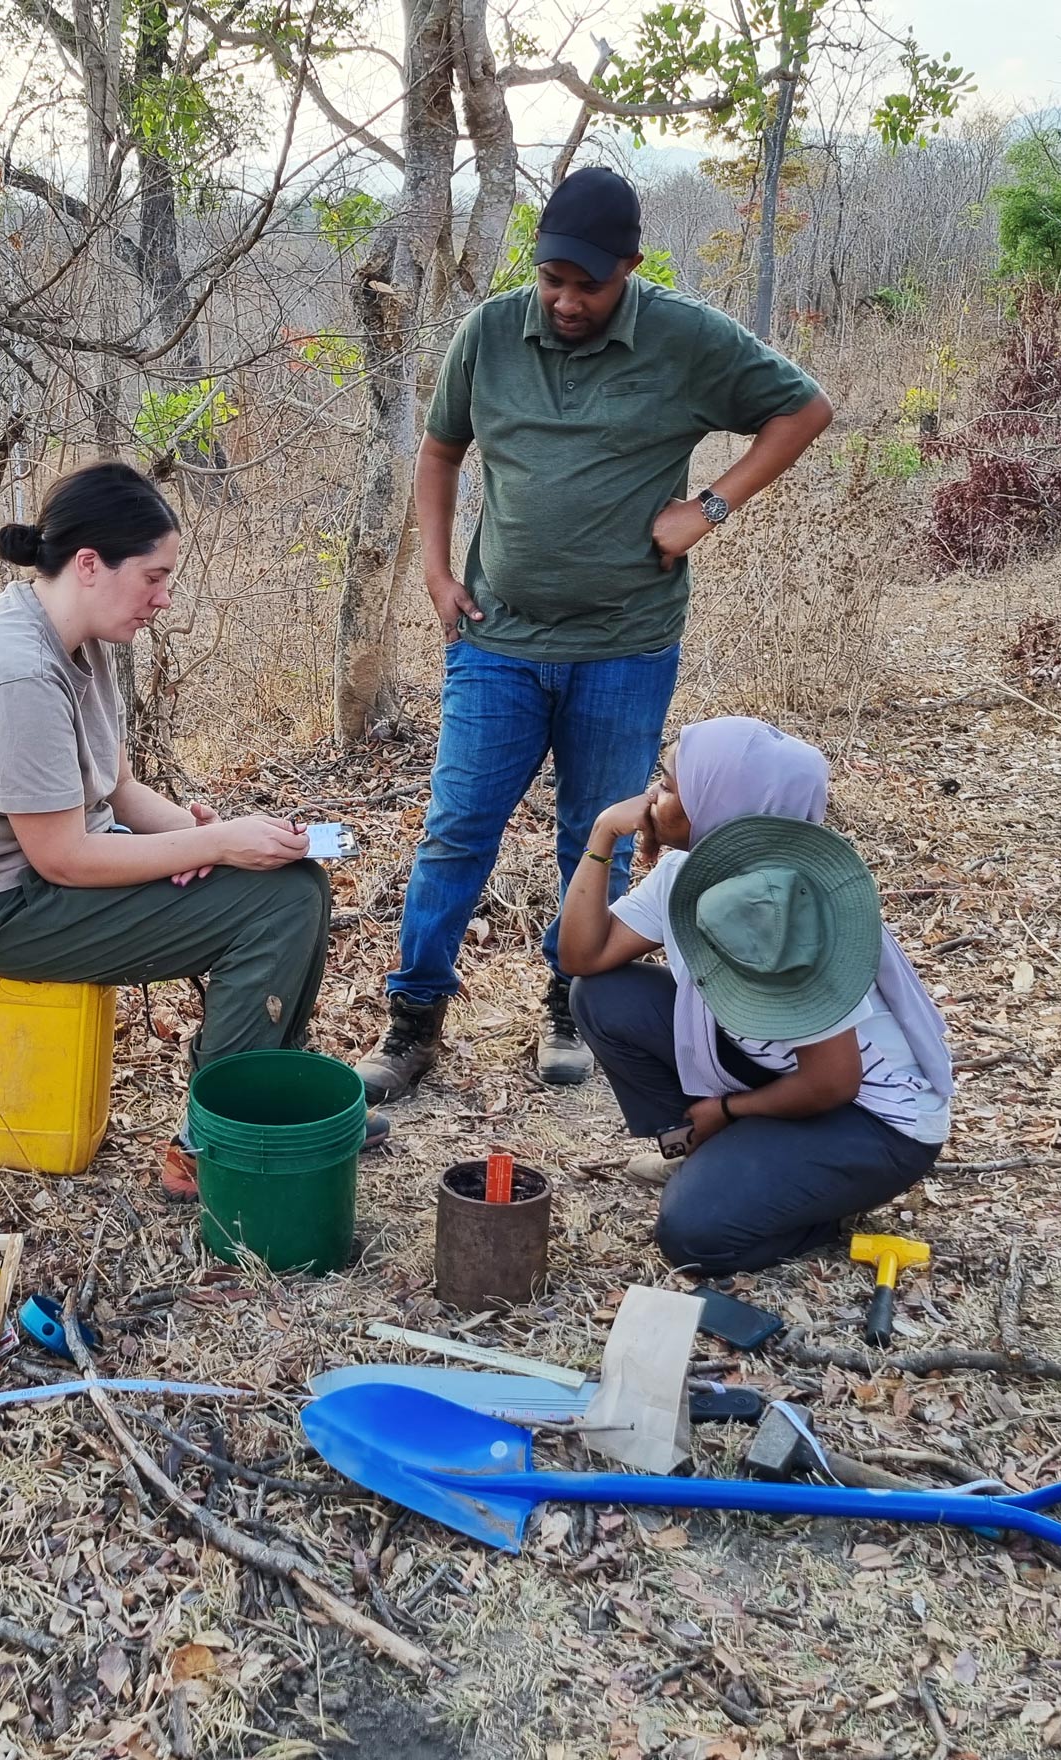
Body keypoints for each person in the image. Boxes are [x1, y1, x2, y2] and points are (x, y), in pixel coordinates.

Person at [357, 165, 834, 1106]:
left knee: (599, 831)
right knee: (458, 829)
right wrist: (438, 572)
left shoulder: (687, 339)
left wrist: (710, 506)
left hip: (625, 643)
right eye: (552, 280)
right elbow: (441, 449)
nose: (567, 301)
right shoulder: (491, 332)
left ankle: (569, 1002)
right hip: (499, 639)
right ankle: (414, 1018)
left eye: (589, 284)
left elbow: (805, 410)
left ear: (631, 269)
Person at [0, 461, 376, 1198]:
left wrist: (191, 830)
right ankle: (213, 1145)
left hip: (53, 876)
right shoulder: (16, 669)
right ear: (90, 565)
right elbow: (61, 858)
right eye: (153, 577)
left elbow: (114, 790)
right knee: (277, 904)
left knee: (292, 878)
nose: (164, 598)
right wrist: (211, 845)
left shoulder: (80, 640)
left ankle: (270, 1104)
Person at [557, 718, 954, 1275]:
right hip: (788, 1074)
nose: (651, 797)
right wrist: (601, 836)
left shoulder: (788, 915)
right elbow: (581, 958)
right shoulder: (686, 875)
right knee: (604, 995)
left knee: (693, 1237)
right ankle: (715, 1155)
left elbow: (834, 1081)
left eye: (670, 785)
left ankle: (806, 1207)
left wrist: (724, 1110)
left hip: (874, 1122)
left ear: (720, 805)